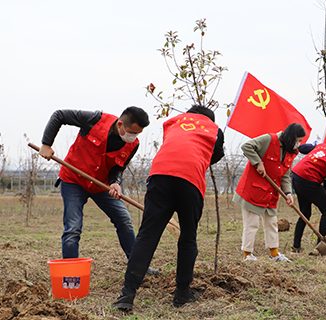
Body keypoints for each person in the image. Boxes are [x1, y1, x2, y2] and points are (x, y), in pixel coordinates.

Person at [112, 105, 224, 310]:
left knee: (147, 235)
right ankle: (182, 294)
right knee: (188, 236)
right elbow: (217, 154)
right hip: (190, 180)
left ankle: (127, 295)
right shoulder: (214, 128)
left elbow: (174, 144)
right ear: (209, 118)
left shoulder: (173, 122)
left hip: (160, 174)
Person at [39, 107, 157, 273]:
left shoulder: (133, 145)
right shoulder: (95, 119)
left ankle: (138, 266)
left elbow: (118, 168)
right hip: (74, 180)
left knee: (124, 219)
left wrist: (115, 182)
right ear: (121, 124)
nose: (133, 137)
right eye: (131, 132)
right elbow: (59, 115)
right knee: (73, 227)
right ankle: (71, 272)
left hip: (100, 185)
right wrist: (46, 144)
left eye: (137, 134)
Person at [233, 123, 305, 262]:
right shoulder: (269, 140)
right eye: (299, 140)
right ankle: (247, 255)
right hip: (253, 190)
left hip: (271, 193)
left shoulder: (291, 152)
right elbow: (246, 146)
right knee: (251, 224)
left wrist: (288, 193)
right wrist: (258, 163)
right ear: (291, 138)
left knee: (271, 223)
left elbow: (285, 174)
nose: (299, 144)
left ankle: (274, 254)